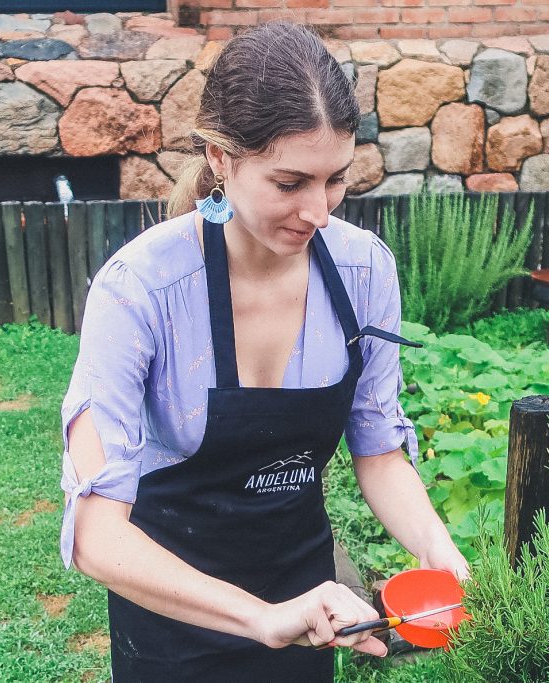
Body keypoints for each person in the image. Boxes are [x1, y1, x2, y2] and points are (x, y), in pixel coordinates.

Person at [59, 21, 470, 682]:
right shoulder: (142, 290)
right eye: (289, 183)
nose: (320, 212)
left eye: (335, 179)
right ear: (221, 158)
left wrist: (437, 550)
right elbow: (94, 533)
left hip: (310, 607)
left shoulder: (363, 271)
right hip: (172, 619)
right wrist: (257, 616)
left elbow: (380, 450)